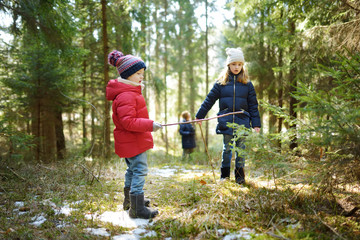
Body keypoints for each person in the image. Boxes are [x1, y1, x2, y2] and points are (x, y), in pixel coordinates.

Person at [106, 50, 162, 219]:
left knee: (131, 170)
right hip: (133, 141)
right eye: (138, 73)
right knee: (139, 170)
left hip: (131, 140)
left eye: (142, 73)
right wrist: (150, 125)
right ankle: (137, 209)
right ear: (128, 74)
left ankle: (130, 201)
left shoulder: (129, 92)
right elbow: (128, 122)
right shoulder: (126, 95)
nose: (141, 76)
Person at [195, 47, 261, 184]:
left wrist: (256, 123)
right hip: (226, 121)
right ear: (228, 65)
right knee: (227, 149)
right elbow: (209, 100)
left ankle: (240, 177)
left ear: (242, 66)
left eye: (239, 64)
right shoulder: (221, 83)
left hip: (243, 122)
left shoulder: (248, 85)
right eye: (233, 64)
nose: (236, 67)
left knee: (241, 150)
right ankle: (224, 176)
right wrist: (200, 115)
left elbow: (253, 105)